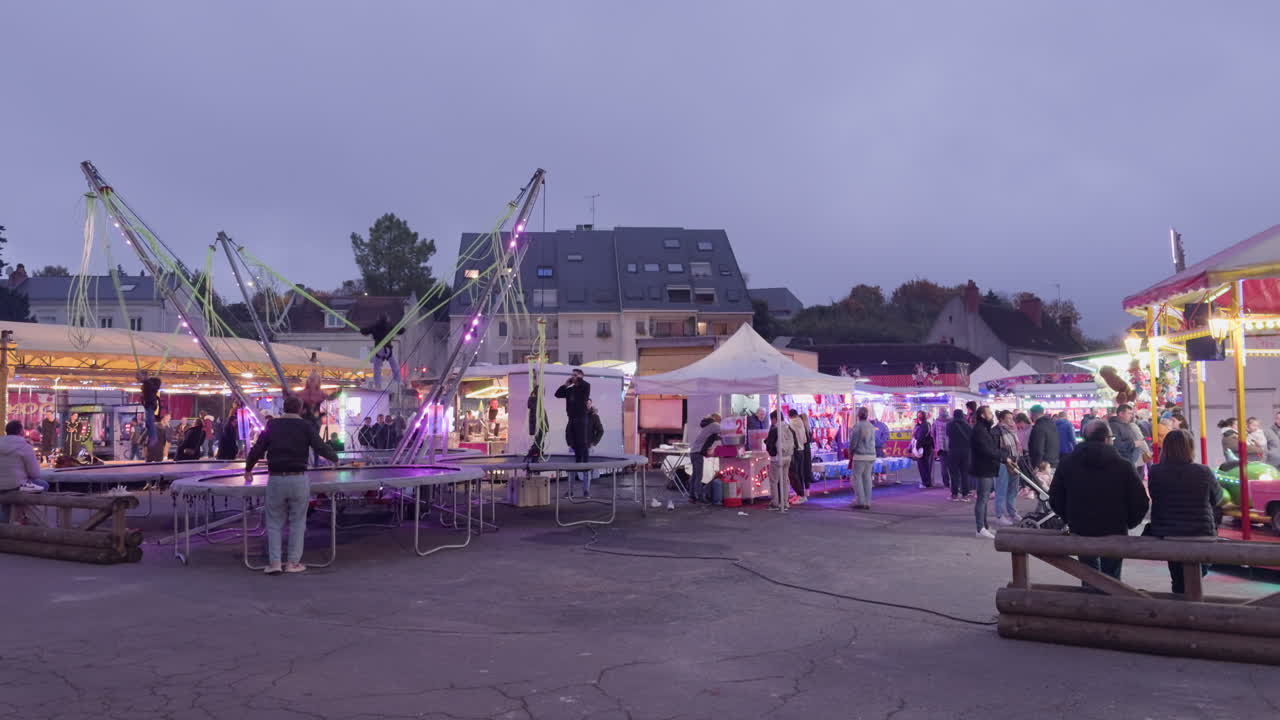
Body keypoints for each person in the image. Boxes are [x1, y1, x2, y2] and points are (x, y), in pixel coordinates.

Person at [245, 395, 340, 575]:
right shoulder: (306, 426)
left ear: (283, 408)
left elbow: (258, 448)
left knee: (274, 522)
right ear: (300, 409)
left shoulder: (272, 425)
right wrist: (335, 459)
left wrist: (248, 468)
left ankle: (274, 563)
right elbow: (319, 446)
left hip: (276, 478)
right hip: (298, 478)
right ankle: (293, 563)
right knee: (298, 522)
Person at [1048, 421, 1150, 581]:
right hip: (1114, 530)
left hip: (1081, 529)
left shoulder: (1067, 463)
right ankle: (1111, 602)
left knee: (1088, 575)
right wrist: (1128, 523)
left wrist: (1070, 518)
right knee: (1112, 580)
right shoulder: (1123, 465)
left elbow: (1055, 497)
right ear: (1107, 439)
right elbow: (1140, 501)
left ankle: (1090, 602)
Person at [1147, 429, 1223, 594]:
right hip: (1200, 532)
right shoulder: (1203, 471)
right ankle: (1191, 610)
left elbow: (1155, 496)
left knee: (1178, 578)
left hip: (1169, 533)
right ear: (1190, 448)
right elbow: (1217, 498)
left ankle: (1181, 608)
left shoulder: (1156, 471)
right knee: (1196, 576)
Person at [0, 421, 46, 524]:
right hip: (16, 485)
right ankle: (22, 515)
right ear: (21, 432)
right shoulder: (25, 447)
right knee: (44, 485)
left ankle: (13, 518)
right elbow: (35, 474)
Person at [970, 406, 1004, 539]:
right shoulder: (980, 430)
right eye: (989, 413)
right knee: (982, 499)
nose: (992, 415)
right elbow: (987, 449)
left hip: (987, 467)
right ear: (983, 415)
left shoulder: (984, 428)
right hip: (983, 468)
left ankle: (985, 526)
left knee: (984, 498)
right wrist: (1002, 455)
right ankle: (980, 528)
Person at [555, 368, 592, 467]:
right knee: (574, 441)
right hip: (572, 418)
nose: (573, 377)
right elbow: (557, 394)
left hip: (581, 417)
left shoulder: (585, 387)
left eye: (575, 375)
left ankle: (585, 464)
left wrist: (579, 379)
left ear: (581, 376)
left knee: (582, 441)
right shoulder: (570, 389)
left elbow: (584, 386)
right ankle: (578, 462)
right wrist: (566, 385)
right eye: (572, 375)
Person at [359, 314, 406, 388]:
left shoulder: (375, 326)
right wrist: (403, 329)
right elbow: (399, 331)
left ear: (378, 319)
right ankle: (399, 381)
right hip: (387, 349)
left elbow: (366, 331)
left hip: (379, 349)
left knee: (377, 368)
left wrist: (361, 330)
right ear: (387, 319)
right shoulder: (389, 326)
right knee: (394, 366)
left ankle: (377, 384)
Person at [992, 410, 1022, 525]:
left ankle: (1012, 512)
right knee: (1001, 490)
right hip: (1003, 463)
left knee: (1013, 490)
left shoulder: (1013, 430)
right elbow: (994, 449)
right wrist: (1005, 458)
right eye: (1008, 418)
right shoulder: (996, 431)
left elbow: (1016, 446)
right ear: (1001, 419)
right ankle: (999, 515)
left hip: (1014, 461)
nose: (1011, 420)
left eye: (1012, 418)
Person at [688, 413, 722, 504]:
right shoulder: (714, 425)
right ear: (717, 419)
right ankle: (699, 497)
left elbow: (710, 437)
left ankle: (692, 496)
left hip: (693, 452)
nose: (720, 422)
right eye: (720, 420)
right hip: (698, 453)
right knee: (698, 476)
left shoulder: (707, 425)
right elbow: (725, 430)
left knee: (694, 475)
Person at [765, 410, 795, 512]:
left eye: (772, 419)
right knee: (785, 480)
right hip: (788, 456)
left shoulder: (775, 429)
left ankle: (775, 503)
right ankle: (785, 502)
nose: (771, 421)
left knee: (774, 480)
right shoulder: (788, 427)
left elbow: (770, 445)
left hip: (777, 458)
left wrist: (771, 452)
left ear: (774, 418)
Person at [847, 407, 877, 510]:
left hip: (860, 456)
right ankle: (867, 502)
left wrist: (850, 451)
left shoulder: (857, 426)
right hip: (871, 455)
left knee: (857, 478)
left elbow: (853, 442)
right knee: (867, 478)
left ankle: (860, 501)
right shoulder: (871, 426)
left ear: (858, 415)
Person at [1109, 404, 1149, 473]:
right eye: (1129, 413)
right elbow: (1116, 445)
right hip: (1122, 462)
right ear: (1121, 414)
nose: (1131, 415)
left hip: (1129, 461)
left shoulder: (1125, 425)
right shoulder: (1114, 426)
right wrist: (1133, 444)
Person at [945, 409, 972, 501]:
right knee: (965, 473)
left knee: (954, 474)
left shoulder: (949, 425)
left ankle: (954, 494)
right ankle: (965, 495)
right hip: (966, 451)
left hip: (953, 451)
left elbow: (948, 435)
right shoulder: (967, 425)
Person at [1027, 405, 1060, 474]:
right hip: (1054, 462)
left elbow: (1038, 449)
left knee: (1041, 484)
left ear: (1032, 414)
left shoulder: (1038, 427)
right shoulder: (1052, 424)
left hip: (1043, 466)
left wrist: (1036, 465)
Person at [787, 410, 809, 504]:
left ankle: (800, 495)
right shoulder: (803, 423)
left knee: (794, 474)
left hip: (794, 451)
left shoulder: (791, 424)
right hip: (802, 450)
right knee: (800, 473)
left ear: (789, 416)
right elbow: (804, 440)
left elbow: (790, 439)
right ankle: (800, 494)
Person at [912, 411, 935, 489]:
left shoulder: (924, 426)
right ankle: (927, 482)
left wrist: (917, 447)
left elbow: (920, 438)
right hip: (927, 447)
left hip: (924, 448)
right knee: (926, 466)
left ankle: (926, 482)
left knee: (923, 466)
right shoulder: (927, 424)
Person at [932, 409, 951, 490]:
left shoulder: (936, 422)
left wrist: (936, 442)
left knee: (943, 466)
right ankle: (954, 483)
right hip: (951, 446)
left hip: (941, 447)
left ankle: (946, 484)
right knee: (952, 466)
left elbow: (932, 433)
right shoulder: (951, 421)